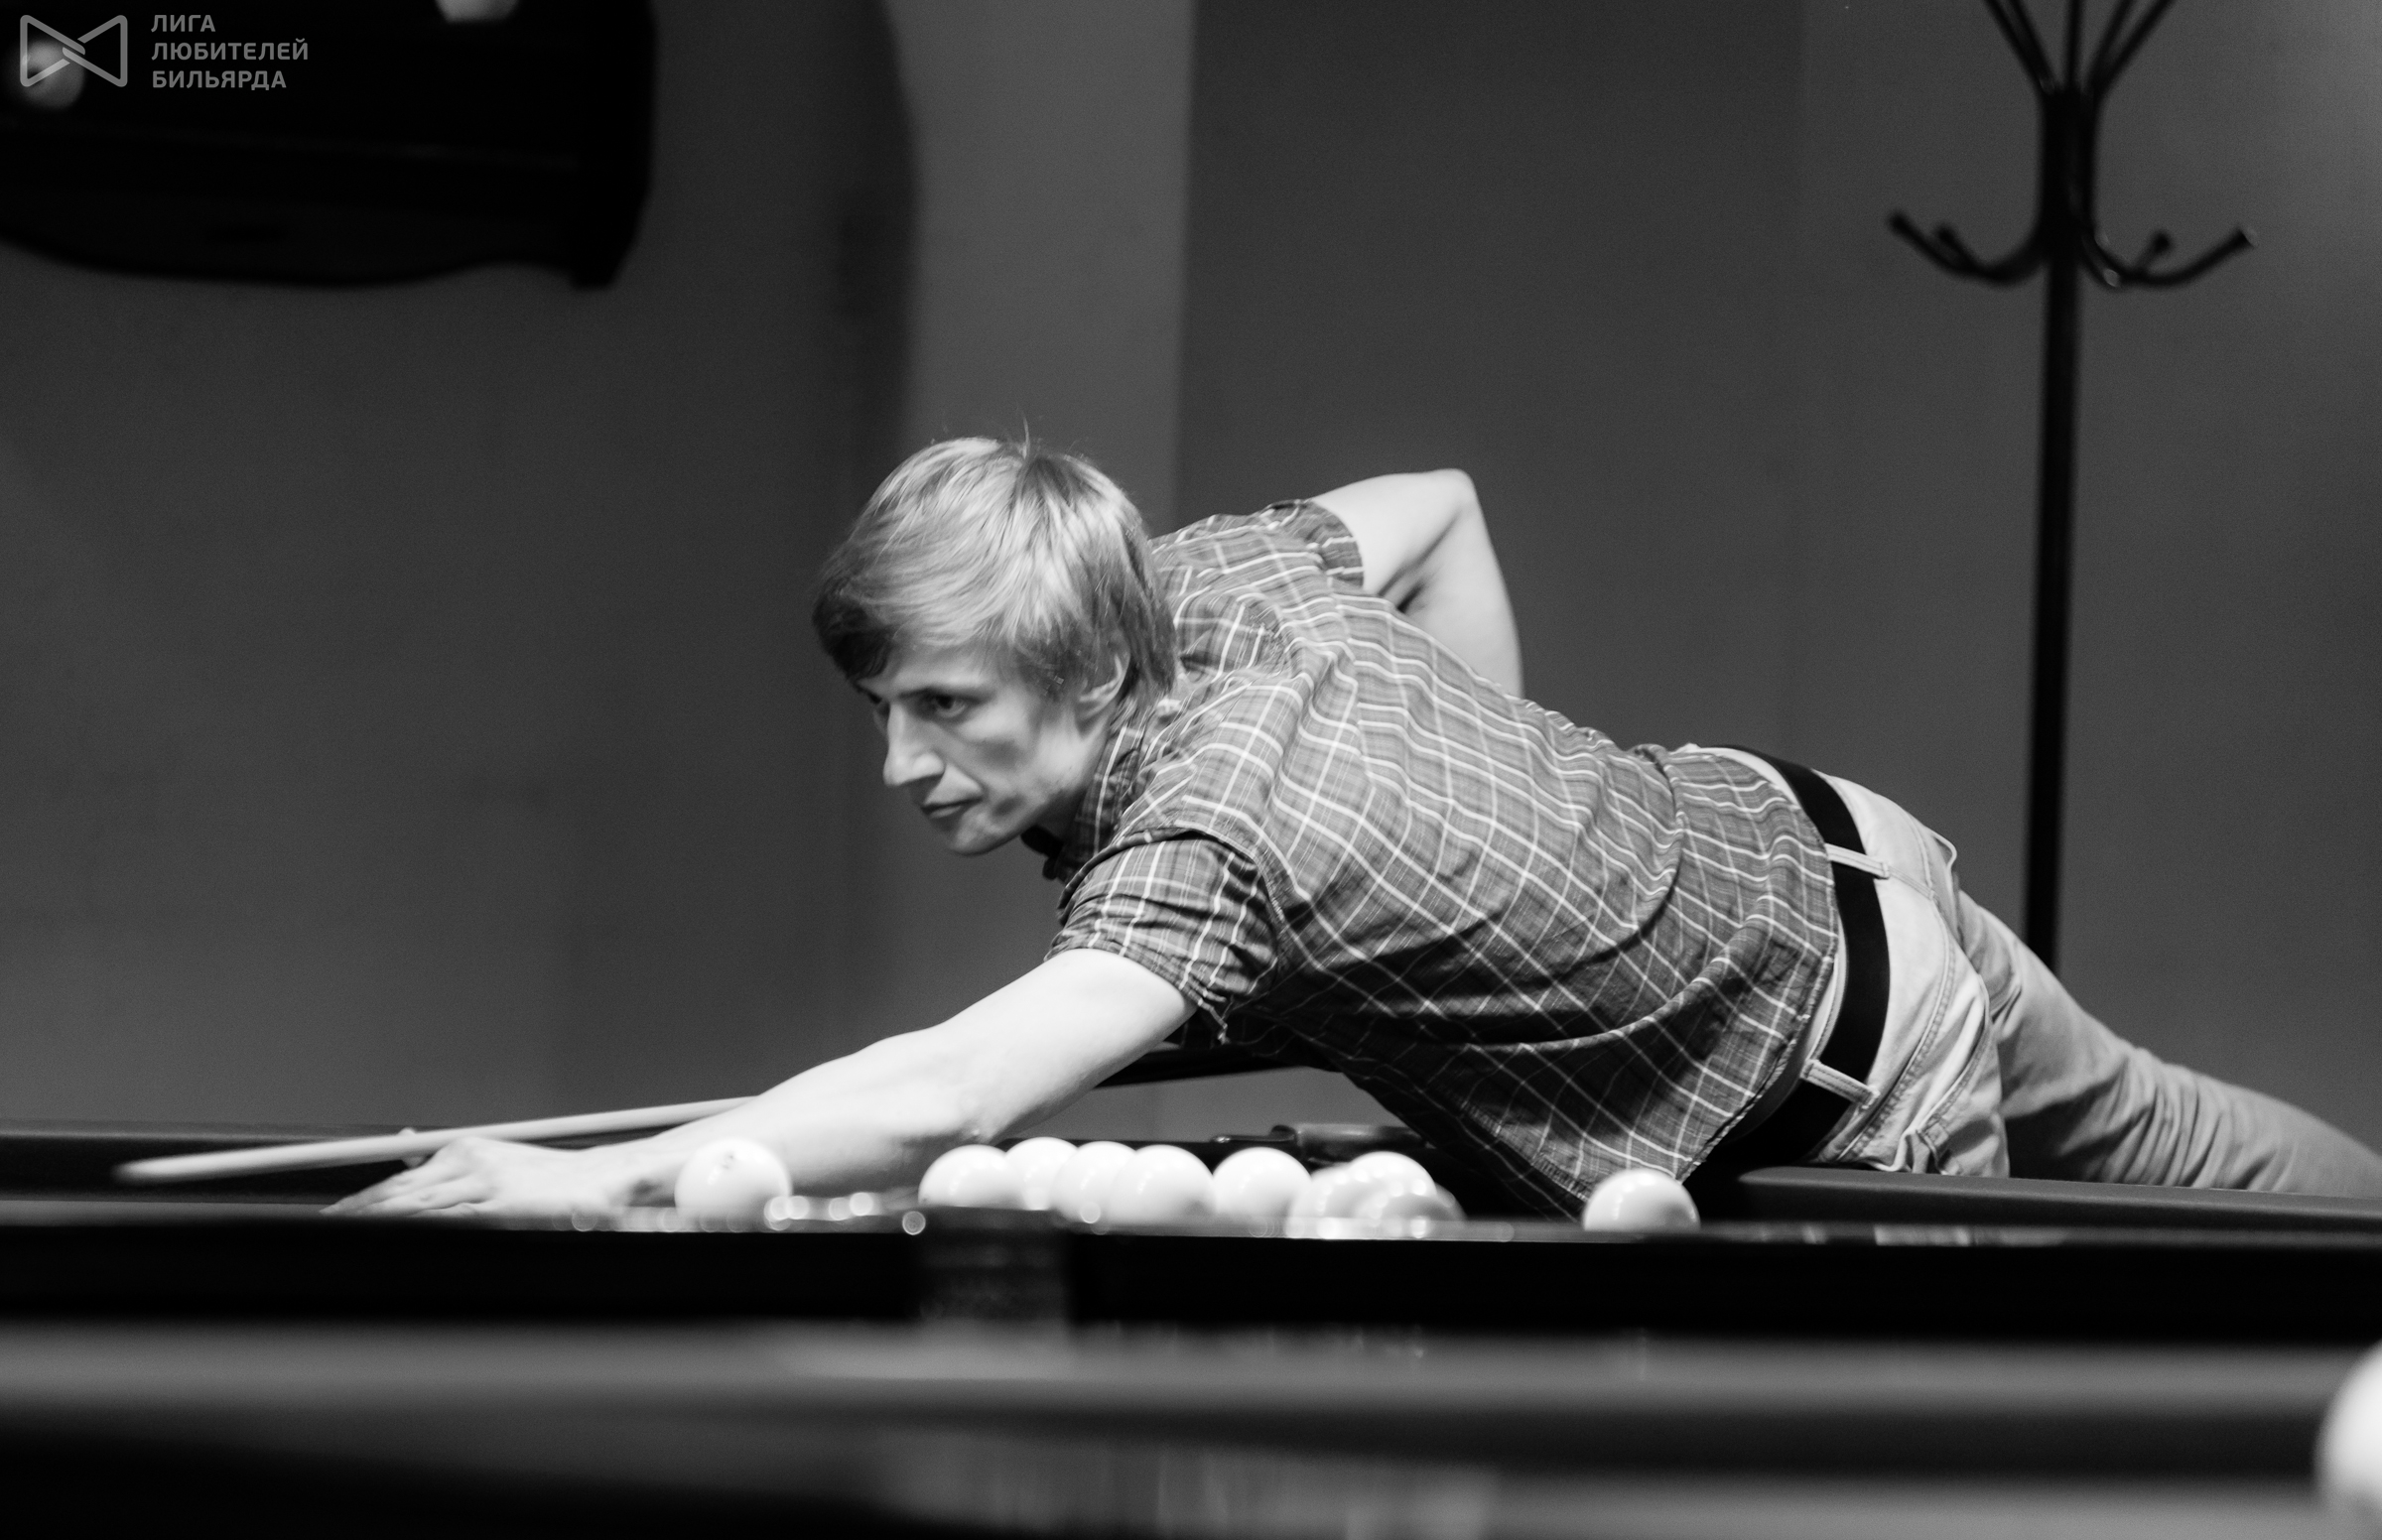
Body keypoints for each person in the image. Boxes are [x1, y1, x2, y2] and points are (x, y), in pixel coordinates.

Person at [337, 439, 2382, 1218]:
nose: (902, 764)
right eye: (885, 709)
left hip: (1851, 1072)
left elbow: (952, 1087)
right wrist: (1505, 798)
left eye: (943, 707)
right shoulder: (1197, 580)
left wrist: (590, 1178)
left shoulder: (1214, 844)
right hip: (1824, 839)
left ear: (1089, 668)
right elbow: (1441, 500)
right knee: (2185, 1145)